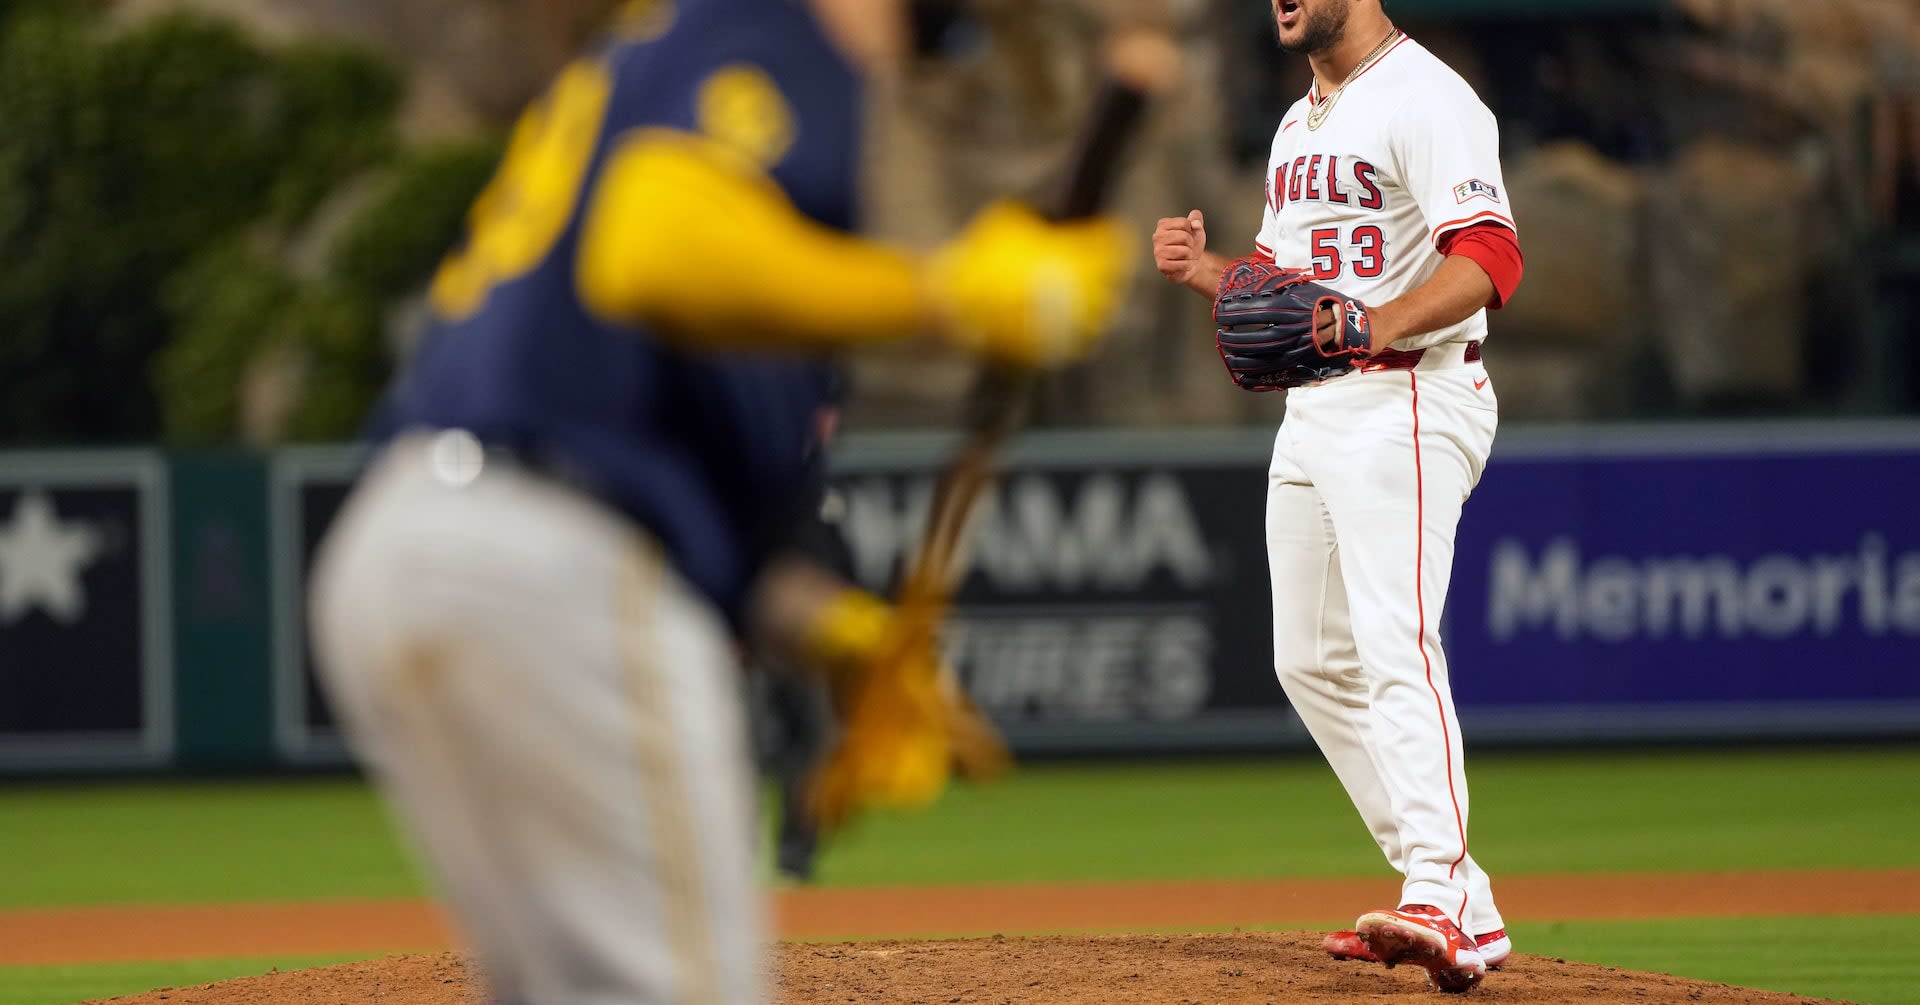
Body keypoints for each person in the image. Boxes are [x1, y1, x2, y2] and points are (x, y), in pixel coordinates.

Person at [305, 0, 1133, 1002]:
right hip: (552, 570)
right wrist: (950, 295)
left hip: (412, 545)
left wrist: (840, 634)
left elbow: (652, 421)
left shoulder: (671, 56)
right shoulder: (774, 28)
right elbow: (649, 249)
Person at [1153, 0, 1524, 993]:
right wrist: (1211, 275)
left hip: (1407, 394)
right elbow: (1287, 286)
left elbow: (1490, 259)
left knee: (1394, 639)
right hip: (1319, 410)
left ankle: (1434, 891)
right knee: (1309, 660)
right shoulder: (1299, 119)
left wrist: (1380, 325)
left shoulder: (1428, 96)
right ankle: (1470, 912)